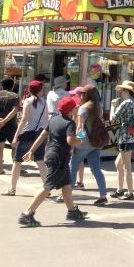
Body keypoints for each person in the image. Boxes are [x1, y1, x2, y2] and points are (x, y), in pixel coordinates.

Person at [17, 96, 87, 227]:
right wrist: (80, 140)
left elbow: (43, 135)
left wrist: (31, 150)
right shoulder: (69, 123)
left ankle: (72, 211)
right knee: (47, 187)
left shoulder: (54, 119)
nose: (77, 107)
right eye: (75, 106)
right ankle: (27, 214)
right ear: (71, 110)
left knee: (66, 185)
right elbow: (70, 141)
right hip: (59, 158)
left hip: (52, 155)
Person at [5, 80, 49, 196]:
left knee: (17, 161)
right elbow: (46, 119)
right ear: (40, 90)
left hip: (27, 133)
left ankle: (12, 188)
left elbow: (24, 120)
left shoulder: (27, 102)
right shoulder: (45, 102)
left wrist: (15, 137)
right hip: (40, 134)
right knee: (40, 161)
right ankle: (46, 188)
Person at [69, 85, 108, 204]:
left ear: (86, 95)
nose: (80, 95)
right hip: (95, 143)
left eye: (82, 94)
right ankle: (103, 195)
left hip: (83, 144)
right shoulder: (98, 107)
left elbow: (80, 128)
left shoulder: (83, 109)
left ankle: (67, 194)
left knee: (73, 168)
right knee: (96, 169)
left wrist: (77, 142)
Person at [110, 81, 134, 201]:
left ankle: (129, 192)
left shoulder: (126, 103)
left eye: (122, 90)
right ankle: (120, 190)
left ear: (127, 91)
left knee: (127, 167)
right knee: (119, 164)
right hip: (133, 136)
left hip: (126, 137)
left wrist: (113, 106)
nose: (121, 92)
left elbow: (113, 119)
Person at [0, 77, 20, 175]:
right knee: (15, 145)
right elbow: (15, 110)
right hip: (11, 124)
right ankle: (16, 168)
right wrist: (5, 120)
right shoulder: (15, 96)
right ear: (13, 85)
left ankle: (0, 169)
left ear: (2, 85)